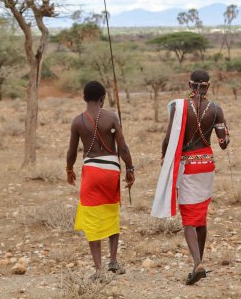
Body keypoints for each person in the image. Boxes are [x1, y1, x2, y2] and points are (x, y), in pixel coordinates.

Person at [151, 69, 230, 285]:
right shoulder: (216, 109)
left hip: (188, 166)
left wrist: (164, 157)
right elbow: (223, 142)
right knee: (201, 216)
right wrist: (224, 136)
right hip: (206, 165)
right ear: (208, 86)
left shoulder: (179, 107)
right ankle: (199, 261)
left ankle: (198, 263)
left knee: (188, 219)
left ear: (190, 85)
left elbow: (168, 139)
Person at [66, 81, 135, 280]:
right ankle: (113, 261)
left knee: (91, 218)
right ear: (103, 98)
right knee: (112, 213)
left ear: (84, 98)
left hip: (91, 172)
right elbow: (123, 148)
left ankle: (98, 270)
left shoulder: (77, 121)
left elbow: (71, 152)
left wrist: (69, 169)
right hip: (111, 171)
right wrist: (130, 168)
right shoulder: (112, 117)